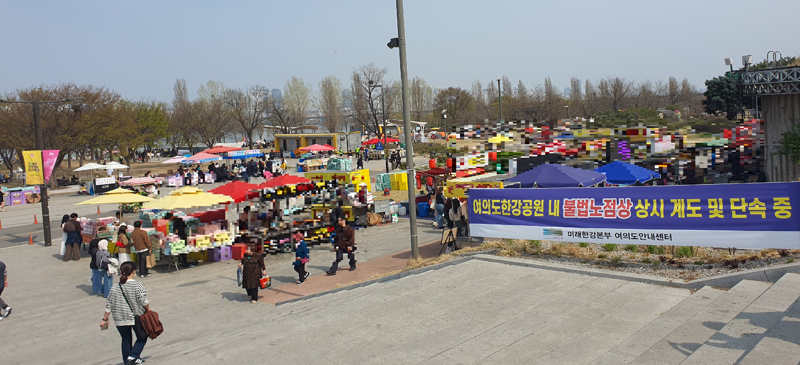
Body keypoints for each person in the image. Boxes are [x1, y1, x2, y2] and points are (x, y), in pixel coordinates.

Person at [100, 261, 151, 365]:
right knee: (142, 337)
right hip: (135, 316)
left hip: (119, 318)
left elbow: (109, 304)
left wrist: (105, 319)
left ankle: (128, 361)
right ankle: (133, 356)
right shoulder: (138, 285)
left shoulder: (115, 287)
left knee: (126, 339)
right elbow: (144, 301)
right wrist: (148, 309)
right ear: (133, 272)